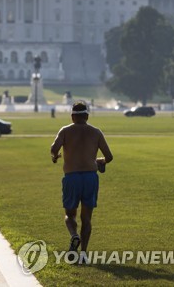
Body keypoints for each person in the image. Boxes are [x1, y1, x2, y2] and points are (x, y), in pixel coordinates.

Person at [51, 100, 113, 255]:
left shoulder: (65, 131)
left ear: (72, 116)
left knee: (70, 215)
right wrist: (100, 161)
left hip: (71, 177)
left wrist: (55, 156)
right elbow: (109, 157)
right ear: (87, 116)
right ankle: (84, 253)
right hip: (90, 178)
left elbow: (54, 148)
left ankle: (74, 235)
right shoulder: (96, 132)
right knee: (87, 218)